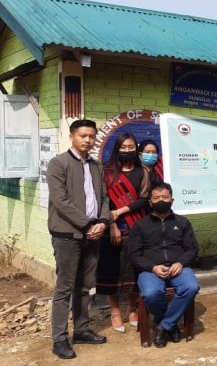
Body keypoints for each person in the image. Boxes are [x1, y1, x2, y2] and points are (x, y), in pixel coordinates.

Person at [47, 119, 110, 359]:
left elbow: (104, 198)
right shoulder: (58, 163)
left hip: (93, 234)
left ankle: (82, 330)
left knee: (85, 287)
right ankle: (59, 339)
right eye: (83, 135)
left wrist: (102, 222)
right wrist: (87, 225)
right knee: (65, 288)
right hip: (68, 235)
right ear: (72, 136)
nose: (88, 140)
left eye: (92, 136)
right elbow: (61, 201)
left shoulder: (97, 166)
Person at [127, 182, 199, 348]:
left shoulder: (182, 222)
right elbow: (134, 255)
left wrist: (181, 262)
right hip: (150, 270)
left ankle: (163, 325)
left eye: (165, 197)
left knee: (191, 287)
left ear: (172, 200)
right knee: (151, 293)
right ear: (150, 202)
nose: (161, 200)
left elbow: (192, 249)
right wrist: (153, 267)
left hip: (178, 268)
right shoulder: (140, 225)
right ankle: (171, 324)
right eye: (157, 198)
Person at [97, 133, 155, 333]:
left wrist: (120, 212)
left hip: (136, 226)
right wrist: (111, 223)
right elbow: (103, 200)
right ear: (117, 149)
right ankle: (114, 311)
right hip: (110, 227)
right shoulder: (106, 172)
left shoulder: (142, 172)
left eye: (131, 147)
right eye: (124, 147)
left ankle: (132, 307)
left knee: (133, 268)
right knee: (111, 270)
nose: (128, 151)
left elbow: (144, 199)